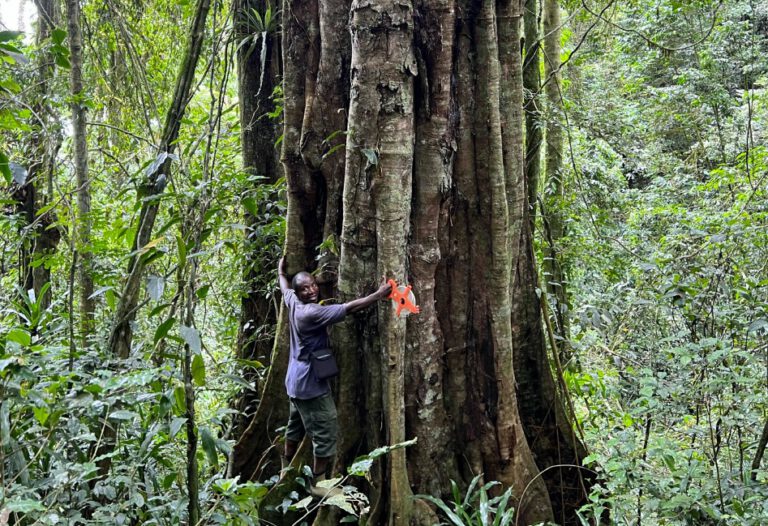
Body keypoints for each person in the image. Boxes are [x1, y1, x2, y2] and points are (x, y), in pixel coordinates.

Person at [277, 257, 390, 497]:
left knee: (295, 424)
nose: (311, 290)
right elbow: (349, 308)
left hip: (294, 381)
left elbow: (283, 286)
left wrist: (281, 270)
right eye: (304, 288)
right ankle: (318, 484)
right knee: (326, 427)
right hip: (310, 385)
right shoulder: (310, 312)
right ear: (299, 293)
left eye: (312, 285)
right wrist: (379, 294)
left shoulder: (291, 301)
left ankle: (286, 466)